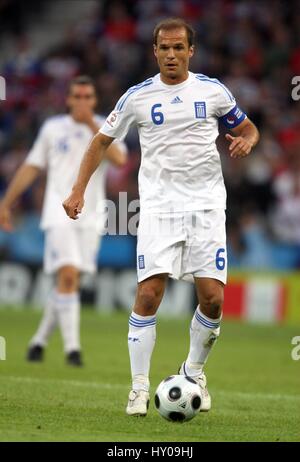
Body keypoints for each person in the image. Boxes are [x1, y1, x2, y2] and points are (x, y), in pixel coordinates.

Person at [63, 18, 259, 412]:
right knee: (149, 294)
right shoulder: (137, 96)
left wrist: (246, 141)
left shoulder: (213, 91)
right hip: (157, 209)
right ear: (154, 52)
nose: (171, 55)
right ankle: (138, 386)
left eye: (178, 48)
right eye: (164, 48)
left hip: (206, 207)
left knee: (214, 300)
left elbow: (250, 128)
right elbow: (101, 141)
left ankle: (193, 371)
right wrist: (78, 189)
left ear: (191, 51)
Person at [0, 75, 127, 366]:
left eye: (87, 97)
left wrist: (92, 125)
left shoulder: (107, 126)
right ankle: (73, 350)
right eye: (77, 96)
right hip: (58, 213)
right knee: (68, 277)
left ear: (94, 101)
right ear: (68, 99)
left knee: (69, 284)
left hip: (92, 217)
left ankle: (38, 341)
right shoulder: (52, 128)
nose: (82, 102)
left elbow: (120, 160)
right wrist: (7, 202)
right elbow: (32, 166)